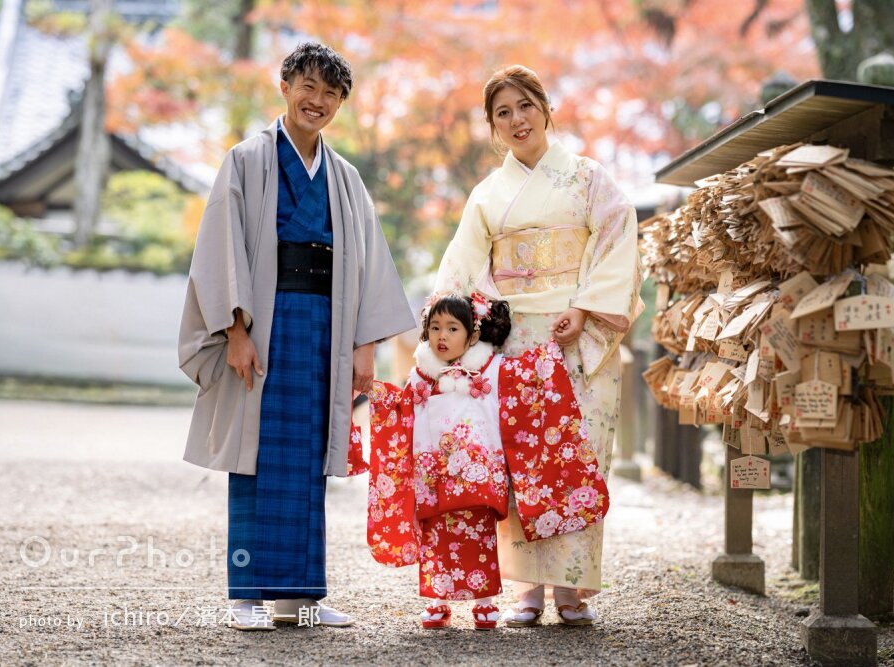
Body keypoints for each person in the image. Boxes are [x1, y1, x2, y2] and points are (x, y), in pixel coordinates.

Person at [178, 42, 416, 631]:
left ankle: (300, 598)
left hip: (325, 327)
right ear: (285, 85)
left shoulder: (345, 177)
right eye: (308, 86)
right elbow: (222, 248)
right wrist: (235, 331)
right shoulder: (247, 159)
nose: (318, 101)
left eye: (331, 93)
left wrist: (365, 345)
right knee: (256, 454)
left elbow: (367, 265)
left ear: (339, 103)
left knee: (307, 455)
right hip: (264, 317)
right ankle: (246, 597)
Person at [434, 65, 643, 626]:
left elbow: (620, 235)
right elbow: (460, 267)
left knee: (580, 453)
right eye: (503, 113)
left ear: (546, 109)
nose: (516, 119)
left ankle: (570, 587)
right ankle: (527, 585)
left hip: (579, 333)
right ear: (492, 127)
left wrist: (584, 305)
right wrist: (450, 335)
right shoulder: (486, 194)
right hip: (516, 338)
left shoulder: (588, 178)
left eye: (525, 105)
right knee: (520, 456)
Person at [362, 293, 610, 630]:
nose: (442, 336)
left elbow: (528, 377)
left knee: (480, 537)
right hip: (434, 474)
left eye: (452, 328)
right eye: (435, 328)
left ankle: (484, 601)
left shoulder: (491, 370)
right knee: (437, 537)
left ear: (473, 335)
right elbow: (402, 410)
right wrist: (377, 394)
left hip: (478, 474)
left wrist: (549, 352)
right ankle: (438, 600)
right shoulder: (421, 375)